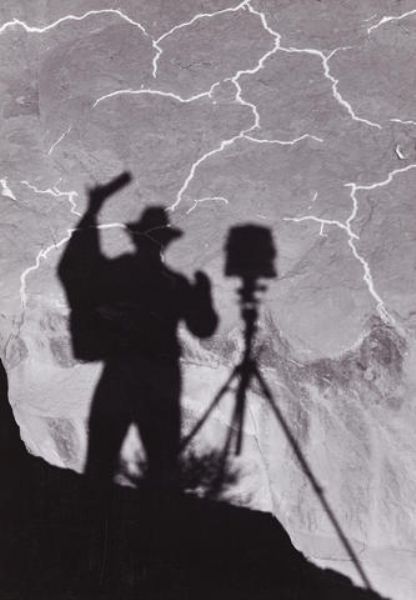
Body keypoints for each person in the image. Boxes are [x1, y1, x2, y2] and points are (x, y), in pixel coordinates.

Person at [58, 173, 218, 488]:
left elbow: (75, 270)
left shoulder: (119, 274)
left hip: (126, 372)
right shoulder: (173, 284)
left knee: (106, 460)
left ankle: (96, 512)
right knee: (159, 464)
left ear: (137, 238)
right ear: (164, 242)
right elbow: (203, 326)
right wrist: (203, 295)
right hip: (156, 378)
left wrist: (92, 212)